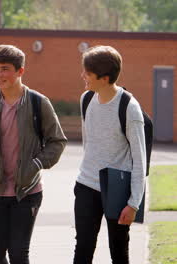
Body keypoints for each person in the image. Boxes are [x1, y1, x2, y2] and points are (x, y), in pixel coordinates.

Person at [0, 44, 67, 264]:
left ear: (20, 71)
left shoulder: (38, 103)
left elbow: (57, 141)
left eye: (5, 69)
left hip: (28, 191)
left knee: (19, 254)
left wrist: (37, 163)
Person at [74, 45, 146, 264]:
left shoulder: (129, 107)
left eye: (88, 73)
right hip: (86, 185)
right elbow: (90, 144)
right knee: (83, 249)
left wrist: (134, 203)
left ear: (104, 78)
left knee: (118, 251)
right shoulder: (86, 99)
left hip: (117, 191)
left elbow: (139, 160)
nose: (82, 76)